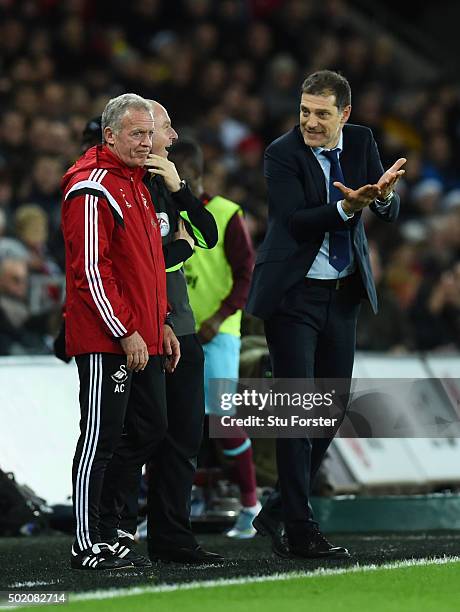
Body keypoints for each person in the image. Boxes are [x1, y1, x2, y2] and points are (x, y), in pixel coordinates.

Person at [246, 70, 405, 559]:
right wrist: (345, 206)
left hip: (342, 295)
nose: (310, 122)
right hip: (293, 297)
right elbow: (295, 220)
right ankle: (298, 528)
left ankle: (278, 508)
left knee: (331, 411)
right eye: (304, 111)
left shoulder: (361, 141)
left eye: (321, 113)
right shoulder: (280, 153)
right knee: (299, 410)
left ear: (345, 114)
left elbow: (387, 208)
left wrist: (381, 198)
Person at [61, 93, 180, 570]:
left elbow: (149, 269)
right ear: (109, 135)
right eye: (136, 134)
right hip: (105, 339)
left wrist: (163, 324)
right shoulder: (91, 187)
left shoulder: (136, 183)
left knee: (150, 428)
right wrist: (127, 330)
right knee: (100, 439)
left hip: (142, 336)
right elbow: (90, 269)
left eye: (149, 134)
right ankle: (87, 543)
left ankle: (108, 529)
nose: (145, 143)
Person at [115, 101, 222, 564]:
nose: (174, 137)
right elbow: (145, 261)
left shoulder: (163, 185)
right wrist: (174, 246)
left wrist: (180, 190)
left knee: (183, 438)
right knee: (140, 434)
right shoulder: (123, 187)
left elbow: (205, 237)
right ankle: (113, 530)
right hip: (140, 330)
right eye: (167, 128)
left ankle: (171, 537)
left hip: (182, 326)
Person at [170, 140, 260, 539]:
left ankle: (251, 506)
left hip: (219, 333)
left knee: (223, 424)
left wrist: (221, 316)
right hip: (176, 331)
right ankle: (165, 509)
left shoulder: (225, 213)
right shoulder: (164, 213)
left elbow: (247, 274)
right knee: (169, 424)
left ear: (190, 170)